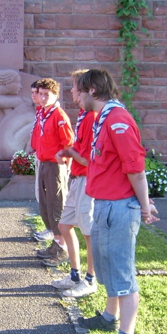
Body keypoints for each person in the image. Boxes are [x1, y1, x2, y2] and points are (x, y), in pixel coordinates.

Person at [75, 69, 159, 334]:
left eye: (80, 91)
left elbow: (135, 168)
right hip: (105, 204)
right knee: (107, 265)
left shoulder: (117, 120)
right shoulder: (104, 118)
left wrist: (145, 205)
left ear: (93, 90)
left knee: (122, 273)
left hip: (119, 207)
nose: (77, 97)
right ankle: (109, 316)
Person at [47, 70, 97, 297]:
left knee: (89, 232)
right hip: (77, 179)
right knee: (65, 225)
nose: (72, 91)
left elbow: (86, 158)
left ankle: (90, 279)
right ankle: (74, 274)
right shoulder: (84, 114)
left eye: (74, 87)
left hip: (87, 180)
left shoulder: (92, 117)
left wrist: (68, 151)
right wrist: (69, 152)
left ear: (85, 89)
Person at [31, 78, 74, 264]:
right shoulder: (42, 112)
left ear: (56, 95)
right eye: (40, 94)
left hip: (55, 165)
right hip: (44, 163)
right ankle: (56, 243)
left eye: (46, 94)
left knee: (56, 204)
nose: (42, 98)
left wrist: (65, 165)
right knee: (45, 204)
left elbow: (69, 143)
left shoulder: (58, 115)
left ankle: (63, 248)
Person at [30, 80, 52, 240]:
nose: (34, 96)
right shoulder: (40, 112)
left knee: (50, 197)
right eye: (33, 93)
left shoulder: (53, 114)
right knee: (42, 196)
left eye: (36, 93)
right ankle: (49, 227)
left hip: (50, 161)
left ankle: (53, 230)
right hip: (40, 155)